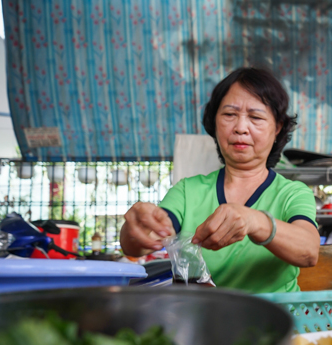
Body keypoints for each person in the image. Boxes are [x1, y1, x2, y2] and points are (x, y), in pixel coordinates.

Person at [120, 67, 320, 293]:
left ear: (277, 128)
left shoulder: (292, 193)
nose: (240, 128)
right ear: (214, 123)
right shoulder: (188, 191)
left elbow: (309, 251)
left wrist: (255, 221)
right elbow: (137, 244)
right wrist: (134, 228)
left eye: (255, 117)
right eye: (229, 115)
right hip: (203, 320)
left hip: (275, 322)